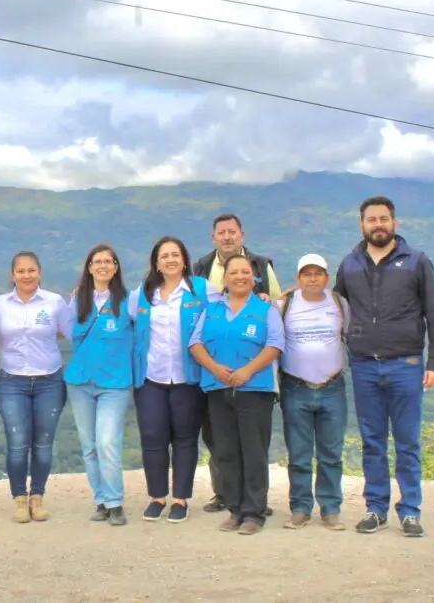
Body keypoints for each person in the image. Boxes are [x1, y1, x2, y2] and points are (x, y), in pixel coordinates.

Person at [333, 196, 434, 538]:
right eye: (372, 219)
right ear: (362, 225)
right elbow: (333, 306)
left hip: (406, 363)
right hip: (364, 365)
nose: (378, 225)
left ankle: (410, 511)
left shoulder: (416, 261)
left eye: (383, 219)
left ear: (394, 223)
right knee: (372, 441)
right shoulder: (350, 264)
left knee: (407, 441)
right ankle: (376, 509)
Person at [192, 212, 281, 515]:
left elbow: (275, 341)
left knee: (253, 450)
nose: (240, 277)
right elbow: (195, 341)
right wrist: (216, 369)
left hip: (255, 386)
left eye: (245, 273)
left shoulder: (264, 298)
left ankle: (254, 509)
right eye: (234, 273)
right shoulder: (206, 283)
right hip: (216, 385)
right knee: (224, 448)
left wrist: (247, 371)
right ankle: (231, 504)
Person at [128, 237, 211, 524]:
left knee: (185, 438)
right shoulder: (142, 293)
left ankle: (180, 499)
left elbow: (227, 308)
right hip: (151, 376)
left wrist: (266, 298)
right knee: (153, 437)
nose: (170, 260)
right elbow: (124, 319)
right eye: (164, 256)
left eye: (175, 255)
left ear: (185, 259)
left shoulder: (202, 289)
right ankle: (157, 497)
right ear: (156, 262)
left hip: (188, 377)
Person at [0, 251, 71, 523]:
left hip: (49, 381)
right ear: (12, 274)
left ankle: (37, 497)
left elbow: (71, 332)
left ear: (40, 272)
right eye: (21, 271)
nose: (26, 275)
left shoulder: (54, 302)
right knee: (17, 443)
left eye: (31, 270)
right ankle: (19, 498)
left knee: (43, 444)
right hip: (12, 381)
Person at [63, 244, 134, 527]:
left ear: (116, 267)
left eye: (108, 261)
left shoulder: (129, 301)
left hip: (114, 383)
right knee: (89, 446)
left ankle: (115, 502)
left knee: (106, 442)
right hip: (80, 381)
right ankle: (101, 500)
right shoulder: (77, 300)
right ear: (89, 267)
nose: (103, 266)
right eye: (97, 262)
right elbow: (68, 334)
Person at [278, 254, 349, 531]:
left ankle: (330, 508)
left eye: (317, 273)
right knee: (299, 453)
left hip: (333, 387)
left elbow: (352, 335)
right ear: (298, 278)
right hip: (296, 387)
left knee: (331, 452)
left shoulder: (339, 304)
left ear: (326, 278)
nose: (312, 278)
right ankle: (300, 508)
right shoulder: (284, 305)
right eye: (306, 274)